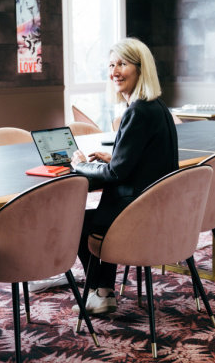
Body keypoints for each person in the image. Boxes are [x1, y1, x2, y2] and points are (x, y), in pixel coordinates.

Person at [71, 37, 179, 315]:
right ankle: (103, 292)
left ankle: (100, 291)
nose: (115, 72)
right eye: (111, 65)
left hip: (135, 213)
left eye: (123, 64)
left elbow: (115, 173)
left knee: (78, 223)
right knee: (102, 214)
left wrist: (80, 165)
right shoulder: (158, 107)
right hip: (157, 209)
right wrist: (117, 157)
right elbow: (150, 160)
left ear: (141, 69)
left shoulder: (137, 112)